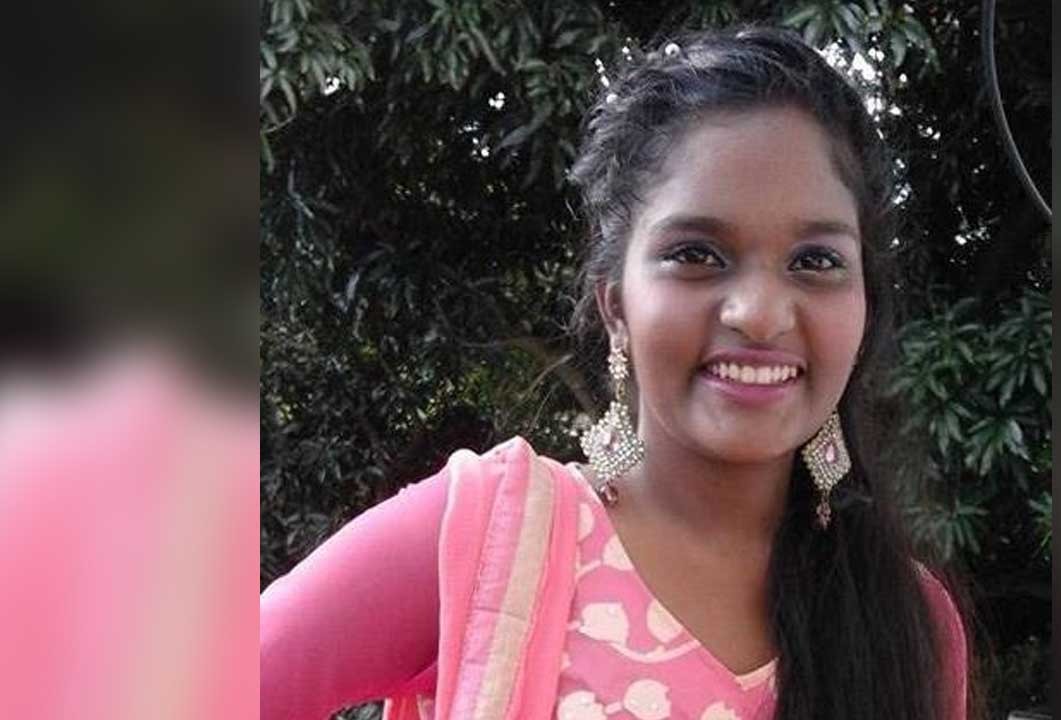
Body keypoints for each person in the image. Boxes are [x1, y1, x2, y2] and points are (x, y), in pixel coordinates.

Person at [261, 26, 968, 720]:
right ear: (616, 305)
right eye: (696, 255)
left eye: (815, 261)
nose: (758, 314)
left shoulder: (910, 626)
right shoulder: (489, 536)